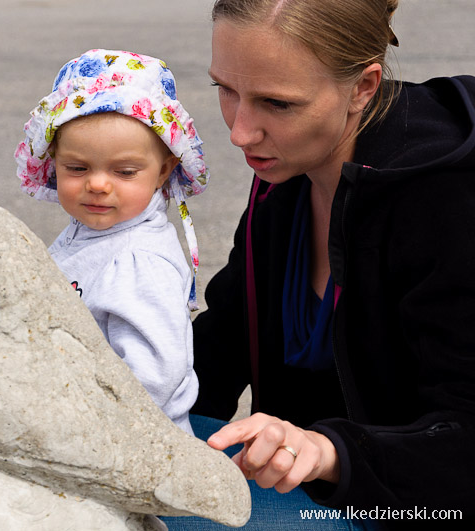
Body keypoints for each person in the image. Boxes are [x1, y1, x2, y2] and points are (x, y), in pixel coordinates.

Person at [164, 0, 475, 529]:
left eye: (276, 104)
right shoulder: (287, 170)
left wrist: (330, 451)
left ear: (363, 87)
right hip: (305, 485)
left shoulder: (448, 200)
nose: (240, 131)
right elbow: (221, 345)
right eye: (226, 89)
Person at [15, 49, 209, 435]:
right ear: (53, 160)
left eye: (124, 171)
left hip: (130, 443)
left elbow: (156, 372)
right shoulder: (95, 232)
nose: (98, 184)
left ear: (164, 169)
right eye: (77, 168)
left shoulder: (138, 260)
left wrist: (74, 424)